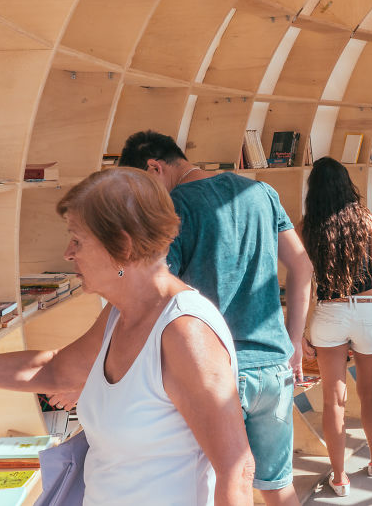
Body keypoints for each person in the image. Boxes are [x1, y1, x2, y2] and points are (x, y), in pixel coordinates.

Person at [0, 168, 254, 505]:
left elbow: (236, 471)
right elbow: (55, 370)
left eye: (78, 240)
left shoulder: (185, 334)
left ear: (123, 247)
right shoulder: (120, 314)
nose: (68, 253)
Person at [119, 131, 312, 505]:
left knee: (217, 485)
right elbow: (302, 267)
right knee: (277, 486)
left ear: (154, 168)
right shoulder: (262, 193)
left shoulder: (174, 208)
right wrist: (294, 340)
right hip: (274, 363)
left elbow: (156, 295)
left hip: (213, 371)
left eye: (140, 186)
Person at [299, 157, 372, 497]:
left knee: (333, 401)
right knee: (369, 395)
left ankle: (340, 478)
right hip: (370, 312)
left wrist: (300, 332)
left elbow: (303, 283)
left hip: (329, 314)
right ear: (346, 185)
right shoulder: (367, 221)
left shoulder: (307, 226)